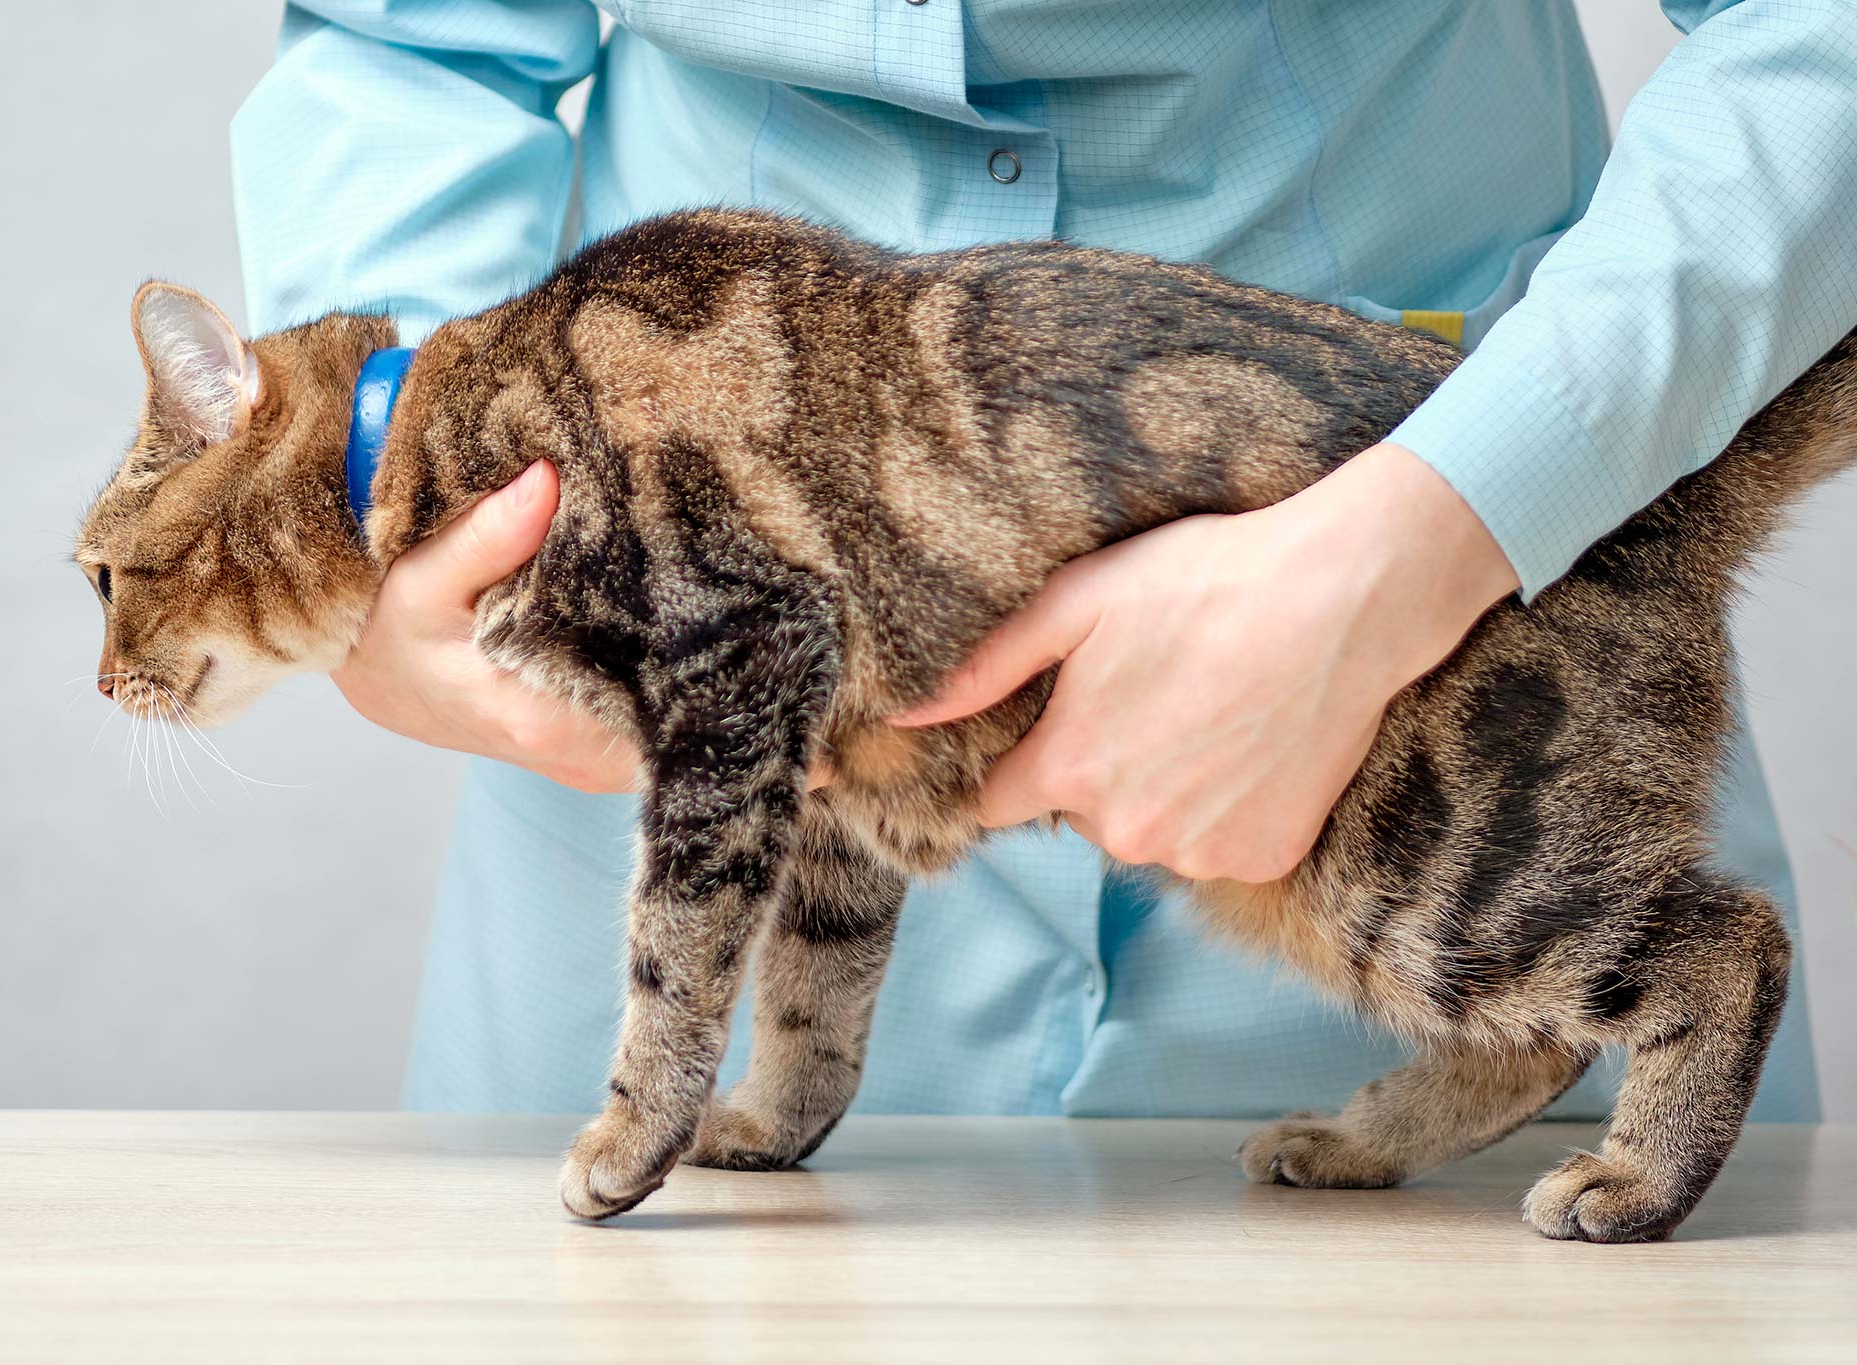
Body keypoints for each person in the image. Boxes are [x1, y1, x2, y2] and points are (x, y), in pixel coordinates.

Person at [231, 1, 1840, 1120]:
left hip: (1447, 651)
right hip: (653, 702)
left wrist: (1438, 521)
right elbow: (404, 36)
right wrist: (403, 503)